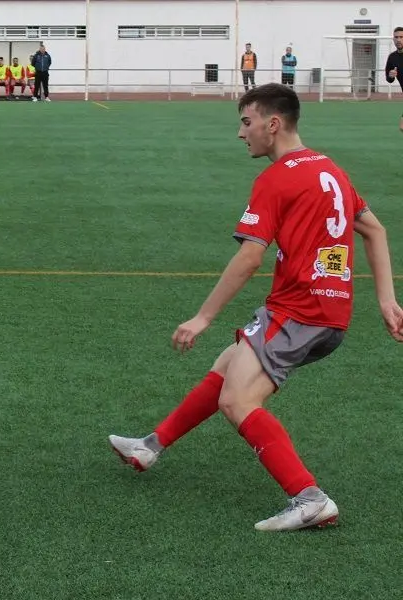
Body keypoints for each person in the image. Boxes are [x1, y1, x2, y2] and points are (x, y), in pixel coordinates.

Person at [108, 83, 403, 532]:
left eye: (246, 122)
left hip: (299, 309)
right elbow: (376, 231)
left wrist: (202, 317)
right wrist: (387, 301)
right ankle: (150, 445)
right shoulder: (331, 170)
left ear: (273, 124)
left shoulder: (276, 177)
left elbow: (250, 256)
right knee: (229, 363)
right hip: (326, 312)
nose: (241, 133)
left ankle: (309, 498)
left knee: (237, 400)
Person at [383, 27, 403, 132]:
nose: (399, 39)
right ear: (393, 39)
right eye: (396, 37)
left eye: (401, 37)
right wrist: (391, 75)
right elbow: (389, 79)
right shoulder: (392, 57)